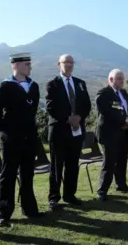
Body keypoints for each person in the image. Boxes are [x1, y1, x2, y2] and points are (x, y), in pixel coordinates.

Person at [0, 53, 43, 227]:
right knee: (8, 174)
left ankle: (29, 209)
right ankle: (4, 213)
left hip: (29, 137)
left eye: (30, 64)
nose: (30, 67)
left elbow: (32, 110)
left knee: (28, 173)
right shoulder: (6, 86)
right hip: (11, 139)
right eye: (27, 64)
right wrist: (4, 131)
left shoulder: (33, 86)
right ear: (16, 66)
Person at [45, 54, 91, 210]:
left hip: (77, 130)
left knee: (73, 165)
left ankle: (70, 195)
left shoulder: (80, 83)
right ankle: (54, 198)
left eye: (72, 62)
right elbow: (51, 107)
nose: (70, 65)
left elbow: (86, 105)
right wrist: (68, 118)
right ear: (59, 64)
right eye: (66, 62)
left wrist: (79, 117)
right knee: (57, 166)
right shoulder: (52, 84)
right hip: (59, 131)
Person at [95, 69, 128, 201]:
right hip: (109, 133)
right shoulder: (104, 93)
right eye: (119, 79)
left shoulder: (123, 93)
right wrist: (123, 120)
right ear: (111, 80)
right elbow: (106, 111)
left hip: (123, 132)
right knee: (109, 162)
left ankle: (121, 185)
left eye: (123, 79)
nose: (122, 81)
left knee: (122, 160)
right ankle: (102, 190)